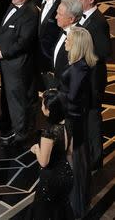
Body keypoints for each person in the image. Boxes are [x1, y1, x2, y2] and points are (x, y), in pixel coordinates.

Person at [0, 0, 38, 145]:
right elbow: (3, 30)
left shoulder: (30, 13)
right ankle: (17, 128)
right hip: (6, 61)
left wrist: (3, 53)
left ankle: (21, 134)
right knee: (13, 99)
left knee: (17, 100)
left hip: (16, 64)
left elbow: (23, 41)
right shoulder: (12, 6)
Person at [60, 26, 97, 218]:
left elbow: (72, 98)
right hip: (76, 119)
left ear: (77, 44)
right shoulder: (81, 65)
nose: (66, 41)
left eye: (68, 39)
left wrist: (54, 98)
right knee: (76, 161)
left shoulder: (78, 68)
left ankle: (76, 204)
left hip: (73, 121)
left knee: (75, 162)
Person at [76, 0, 111, 171]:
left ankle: (96, 159)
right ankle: (86, 155)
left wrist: (84, 55)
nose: (77, 0)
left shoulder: (98, 21)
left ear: (90, 0)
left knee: (92, 118)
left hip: (93, 80)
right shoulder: (83, 17)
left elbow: (105, 50)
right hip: (84, 79)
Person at [30, 89, 74, 220]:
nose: (42, 107)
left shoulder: (49, 133)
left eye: (43, 105)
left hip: (51, 180)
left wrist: (36, 149)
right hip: (67, 176)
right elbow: (70, 154)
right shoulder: (69, 126)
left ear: (49, 110)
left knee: (43, 213)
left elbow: (44, 162)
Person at [36, 0, 68, 90]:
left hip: (55, 66)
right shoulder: (44, 0)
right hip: (42, 63)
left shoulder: (63, 5)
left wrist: (55, 64)